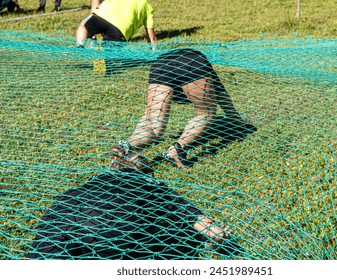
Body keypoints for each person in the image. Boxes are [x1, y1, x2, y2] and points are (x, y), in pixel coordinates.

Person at [25, 149, 230, 260]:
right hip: (111, 228)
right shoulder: (151, 183)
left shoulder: (94, 181)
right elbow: (196, 219)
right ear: (146, 172)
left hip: (63, 216)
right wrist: (215, 235)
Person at [111, 48, 246, 169]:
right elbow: (221, 94)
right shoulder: (202, 66)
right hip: (191, 62)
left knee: (154, 125)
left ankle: (125, 146)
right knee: (206, 113)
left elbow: (148, 112)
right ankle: (177, 149)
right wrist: (237, 120)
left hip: (161, 65)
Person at [76, 0, 157, 50]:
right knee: (108, 53)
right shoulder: (147, 7)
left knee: (84, 26)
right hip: (120, 30)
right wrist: (154, 54)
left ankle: (80, 46)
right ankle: (103, 59)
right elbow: (152, 38)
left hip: (101, 16)